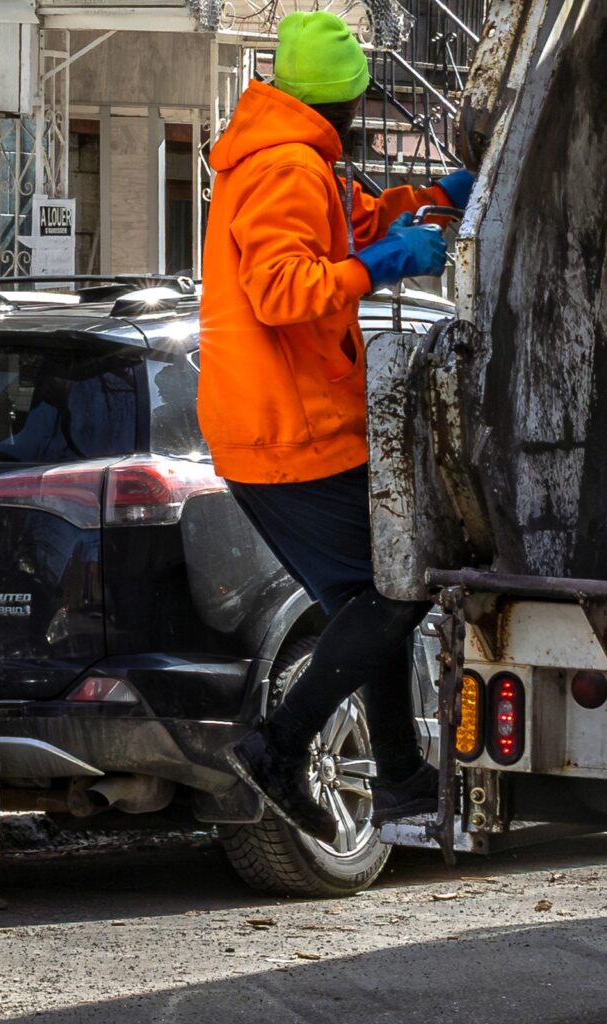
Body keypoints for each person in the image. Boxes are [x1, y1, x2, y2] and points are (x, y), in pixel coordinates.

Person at [199, 11, 475, 844]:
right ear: (343, 105)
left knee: (372, 598)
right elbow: (284, 291)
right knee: (399, 589)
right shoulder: (284, 167)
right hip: (286, 432)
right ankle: (277, 747)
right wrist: (380, 266)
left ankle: (398, 779)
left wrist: (436, 198)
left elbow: (352, 215)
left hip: (284, 427)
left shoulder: (292, 158)